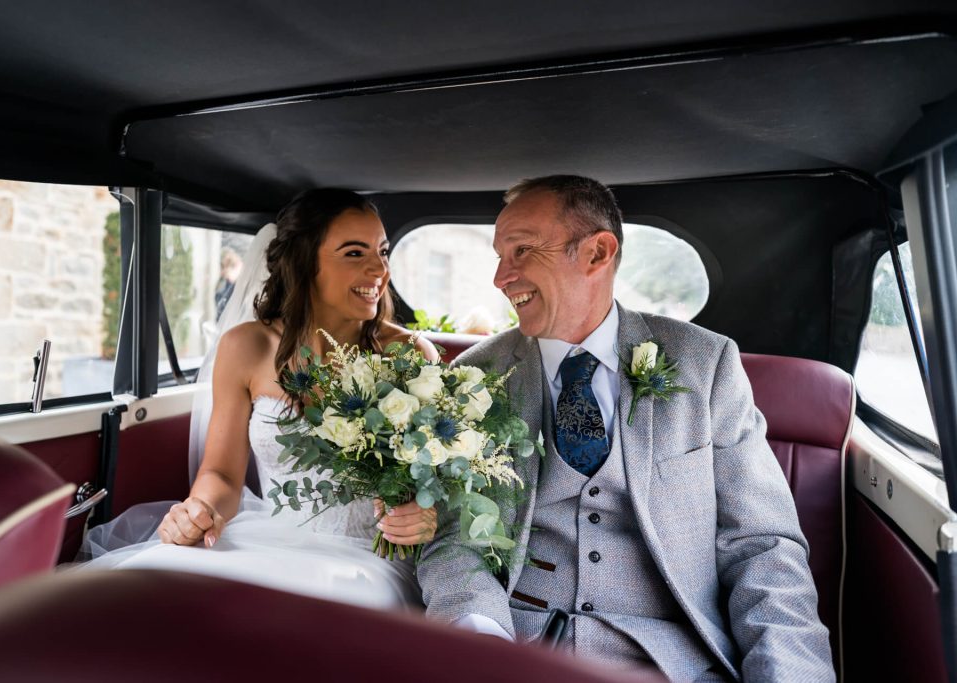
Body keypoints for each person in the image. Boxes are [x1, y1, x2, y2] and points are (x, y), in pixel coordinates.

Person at [417, 176, 834, 682]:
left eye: (522, 250)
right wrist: (481, 644)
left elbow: (762, 545)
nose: (502, 277)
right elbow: (454, 538)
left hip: (671, 660)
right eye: (500, 256)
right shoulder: (473, 377)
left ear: (597, 252)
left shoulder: (705, 364)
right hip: (517, 647)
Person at [79, 189, 438, 610]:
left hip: (369, 559)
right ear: (304, 262)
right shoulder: (245, 347)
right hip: (264, 535)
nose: (380, 268)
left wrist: (423, 510)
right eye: (355, 253)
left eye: (382, 250)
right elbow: (222, 477)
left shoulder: (411, 355)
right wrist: (199, 509)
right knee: (139, 596)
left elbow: (434, 481)